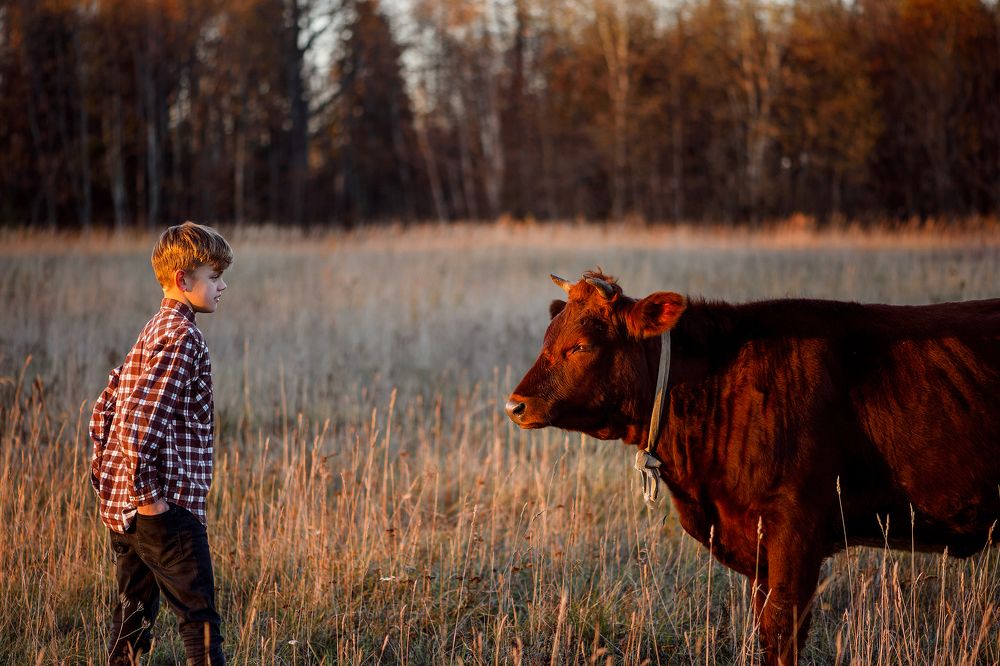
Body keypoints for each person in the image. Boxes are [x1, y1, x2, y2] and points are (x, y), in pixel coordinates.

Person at [90, 221, 232, 665]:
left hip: (126, 511)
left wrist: (110, 485)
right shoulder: (183, 337)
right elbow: (140, 422)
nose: (222, 286)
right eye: (214, 277)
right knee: (200, 618)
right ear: (182, 281)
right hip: (165, 509)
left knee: (133, 616)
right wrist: (150, 499)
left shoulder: (153, 328)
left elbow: (106, 408)